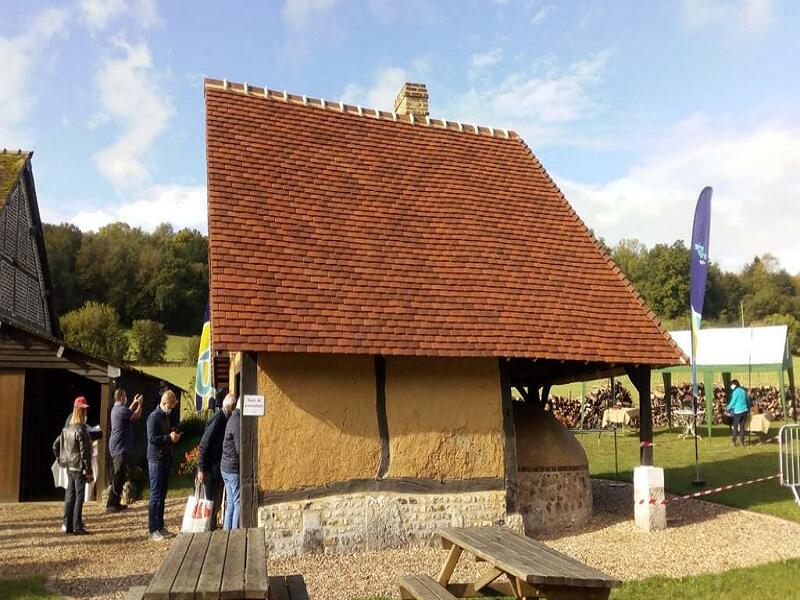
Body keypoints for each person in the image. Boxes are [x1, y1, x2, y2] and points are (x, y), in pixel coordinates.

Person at [55, 396, 94, 535]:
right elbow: (84, 453)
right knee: (79, 497)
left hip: (69, 466)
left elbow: (55, 445)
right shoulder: (81, 429)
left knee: (69, 496)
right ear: (82, 412)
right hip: (79, 468)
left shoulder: (67, 429)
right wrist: (88, 470)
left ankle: (67, 524)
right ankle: (77, 525)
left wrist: (61, 459)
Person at [146, 389, 182, 541]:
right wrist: (168, 438)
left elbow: (166, 432)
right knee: (155, 495)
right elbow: (152, 438)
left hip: (166, 457)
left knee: (162, 494)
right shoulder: (153, 417)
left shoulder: (166, 417)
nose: (171, 409)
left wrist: (174, 432)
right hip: (155, 459)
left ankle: (160, 526)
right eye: (170, 405)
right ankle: (153, 529)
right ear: (164, 403)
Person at [197, 393, 236, 529]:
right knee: (210, 501)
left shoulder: (224, 418)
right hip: (209, 467)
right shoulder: (218, 418)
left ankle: (211, 525)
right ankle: (207, 527)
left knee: (216, 500)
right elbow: (204, 443)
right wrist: (201, 468)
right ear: (231, 408)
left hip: (217, 466)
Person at [106, 387, 143, 512]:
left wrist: (134, 402)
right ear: (122, 397)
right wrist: (140, 405)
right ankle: (111, 504)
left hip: (117, 447)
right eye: (125, 396)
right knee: (118, 476)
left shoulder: (117, 409)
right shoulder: (120, 410)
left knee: (120, 476)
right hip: (119, 448)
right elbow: (135, 416)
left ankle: (115, 503)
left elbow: (128, 411)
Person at [220, 395, 240, 530]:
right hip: (232, 468)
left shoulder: (231, 419)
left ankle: (226, 532)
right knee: (238, 502)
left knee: (231, 502)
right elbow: (240, 448)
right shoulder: (237, 421)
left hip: (225, 466)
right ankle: (234, 534)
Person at [726, 379, 750, 446]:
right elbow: (747, 400)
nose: (731, 386)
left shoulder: (735, 392)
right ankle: (742, 442)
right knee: (742, 428)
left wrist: (728, 407)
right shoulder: (743, 391)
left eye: (731, 385)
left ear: (734, 385)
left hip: (738, 412)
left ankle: (733, 442)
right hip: (745, 411)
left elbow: (733, 402)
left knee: (735, 427)